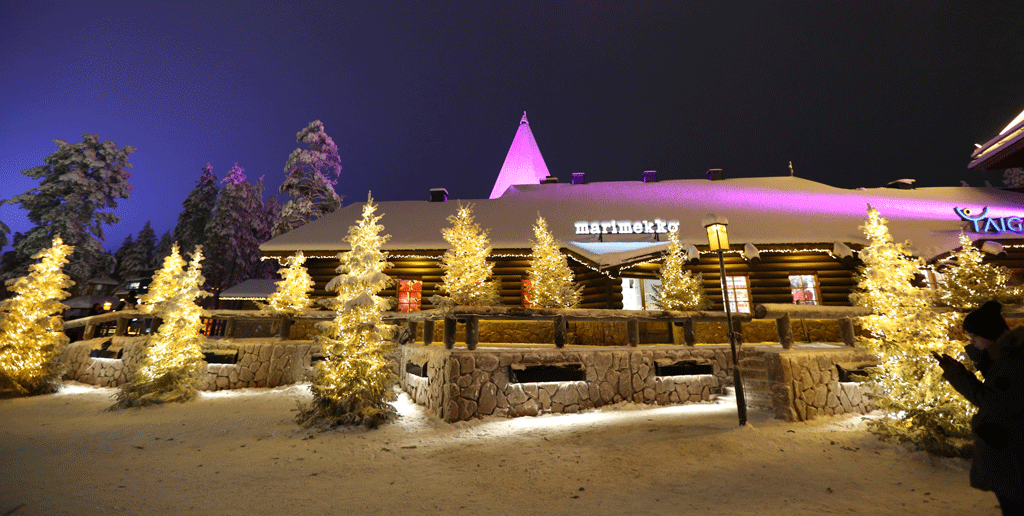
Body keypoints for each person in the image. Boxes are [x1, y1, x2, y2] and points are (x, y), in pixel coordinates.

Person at [933, 300, 1024, 515]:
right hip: (1010, 452)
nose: (972, 343)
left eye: (974, 337)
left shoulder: (1011, 363)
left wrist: (958, 376)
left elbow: (995, 402)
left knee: (1014, 505)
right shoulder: (1007, 358)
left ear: (989, 334)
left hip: (1012, 454)